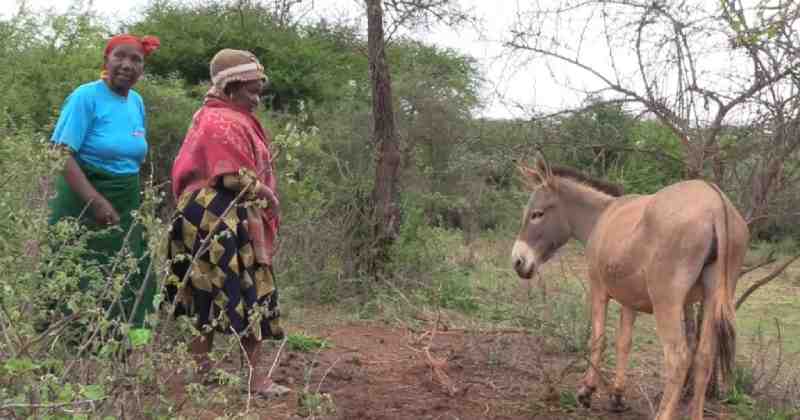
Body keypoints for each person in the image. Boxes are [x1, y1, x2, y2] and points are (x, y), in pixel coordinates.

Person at [168, 49, 286, 396]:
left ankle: (227, 374)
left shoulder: (226, 116)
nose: (257, 98)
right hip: (215, 216)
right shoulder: (218, 120)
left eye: (258, 90)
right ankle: (246, 378)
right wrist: (269, 197)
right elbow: (231, 176)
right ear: (231, 88)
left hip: (220, 214)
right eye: (251, 91)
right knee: (242, 289)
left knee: (221, 289)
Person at [48, 34, 160, 338]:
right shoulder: (86, 97)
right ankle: (72, 341)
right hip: (83, 198)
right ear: (106, 60)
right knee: (78, 267)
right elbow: (60, 154)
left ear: (142, 68)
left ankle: (119, 339)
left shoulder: (135, 102)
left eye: (136, 60)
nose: (127, 65)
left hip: (125, 197)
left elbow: (134, 153)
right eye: (120, 57)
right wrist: (94, 200)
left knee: (128, 264)